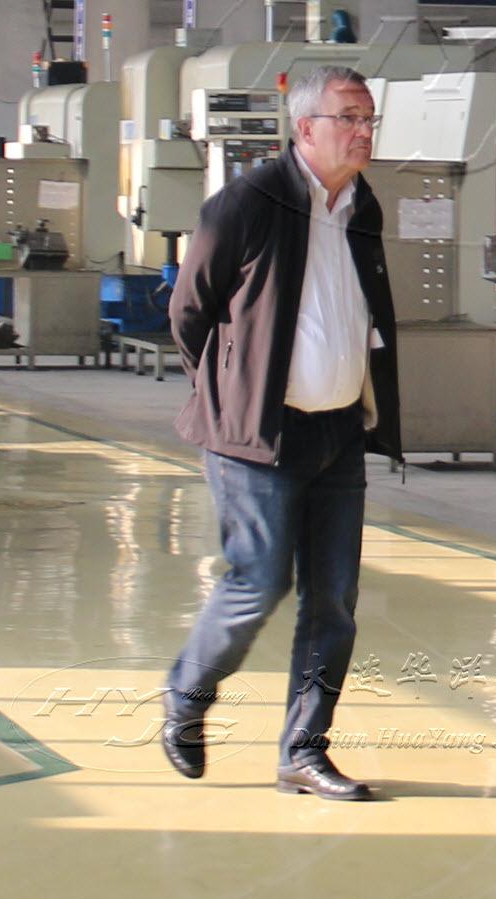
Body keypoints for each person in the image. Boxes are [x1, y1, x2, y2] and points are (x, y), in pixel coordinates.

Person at [160, 66, 402, 801]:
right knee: (258, 583)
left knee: (333, 601)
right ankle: (187, 695)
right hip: (258, 437)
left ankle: (304, 748)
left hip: (339, 433)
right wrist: (231, 391)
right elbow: (189, 311)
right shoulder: (248, 202)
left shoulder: (362, 206)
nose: (362, 132)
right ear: (304, 128)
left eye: (369, 119)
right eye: (348, 118)